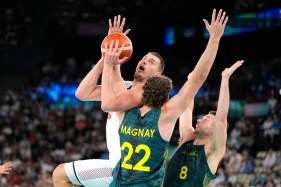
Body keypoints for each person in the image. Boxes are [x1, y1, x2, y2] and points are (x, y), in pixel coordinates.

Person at [100, 9, 229, 186]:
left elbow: (116, 84)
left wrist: (110, 56)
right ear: (166, 98)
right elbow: (199, 78)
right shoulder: (166, 116)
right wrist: (214, 39)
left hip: (118, 182)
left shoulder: (126, 113)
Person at [52, 15, 165, 187]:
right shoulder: (126, 86)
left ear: (157, 75)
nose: (144, 60)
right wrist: (105, 57)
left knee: (61, 174)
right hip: (119, 165)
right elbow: (82, 93)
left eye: (151, 62)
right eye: (144, 58)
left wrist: (110, 59)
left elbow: (112, 102)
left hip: (124, 167)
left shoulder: (145, 95)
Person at [162, 60, 244, 187]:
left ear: (214, 130)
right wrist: (192, 82)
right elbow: (187, 108)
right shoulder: (186, 138)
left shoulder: (212, 151)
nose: (199, 120)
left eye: (206, 119)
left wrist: (225, 79)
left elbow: (221, 117)